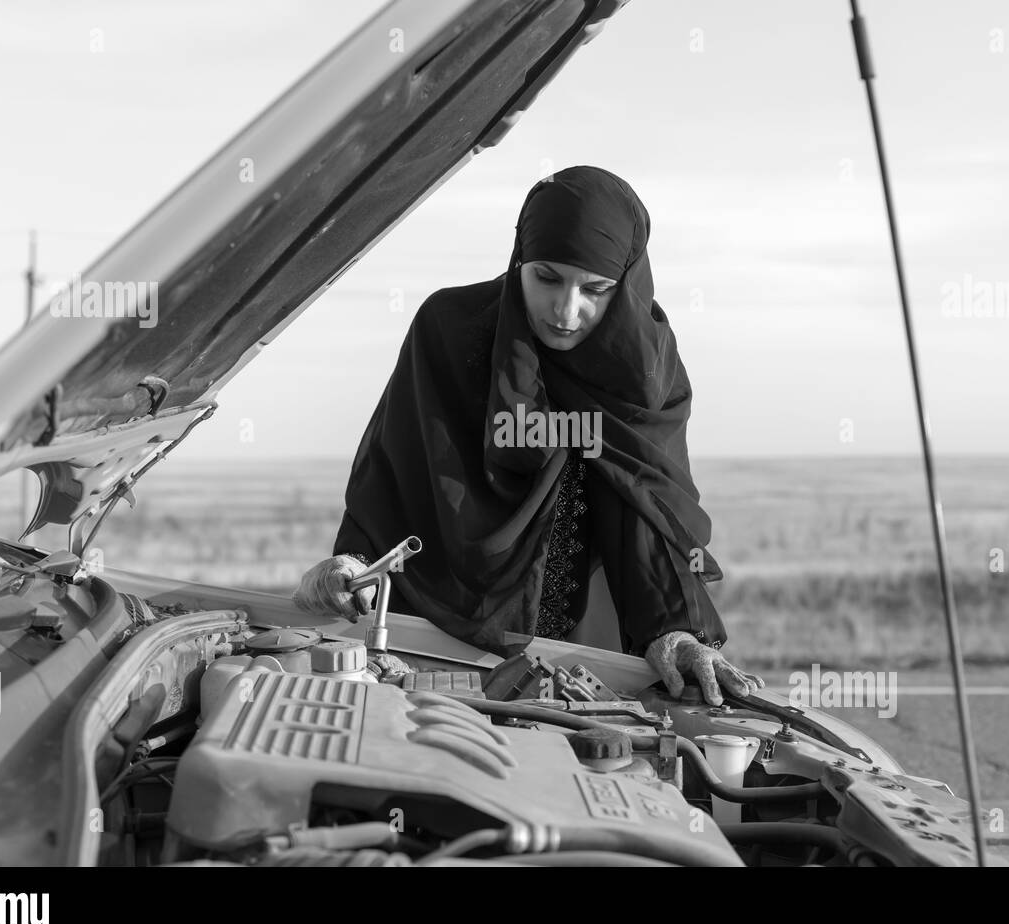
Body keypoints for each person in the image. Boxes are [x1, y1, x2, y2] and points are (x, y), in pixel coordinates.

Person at [294, 166, 762, 706]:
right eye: (546, 277)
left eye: (596, 289)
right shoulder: (447, 330)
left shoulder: (644, 370)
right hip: (428, 645)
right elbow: (393, 473)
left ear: (628, 281)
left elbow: (648, 506)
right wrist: (354, 562)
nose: (567, 311)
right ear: (519, 259)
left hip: (583, 662)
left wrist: (679, 629)